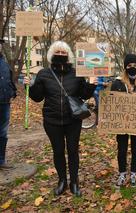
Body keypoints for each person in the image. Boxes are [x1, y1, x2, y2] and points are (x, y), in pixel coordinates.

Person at [23, 41, 97, 197]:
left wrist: (91, 84)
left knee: (72, 151)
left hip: (73, 121)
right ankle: (62, 180)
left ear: (68, 55)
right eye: (58, 52)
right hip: (52, 120)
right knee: (58, 151)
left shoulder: (77, 73)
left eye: (64, 53)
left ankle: (74, 181)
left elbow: (84, 95)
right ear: (51, 54)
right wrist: (29, 86)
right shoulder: (44, 73)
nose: (61, 55)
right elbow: (37, 97)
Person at [110, 53, 136, 188]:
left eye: (134, 65)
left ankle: (133, 173)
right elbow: (112, 101)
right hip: (122, 122)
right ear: (125, 67)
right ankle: (122, 173)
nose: (132, 67)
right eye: (129, 65)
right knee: (121, 149)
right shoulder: (117, 82)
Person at [0, 38, 17, 169]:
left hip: (5, 103)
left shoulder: (4, 64)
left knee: (3, 133)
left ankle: (1, 160)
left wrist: (13, 92)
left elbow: (9, 80)